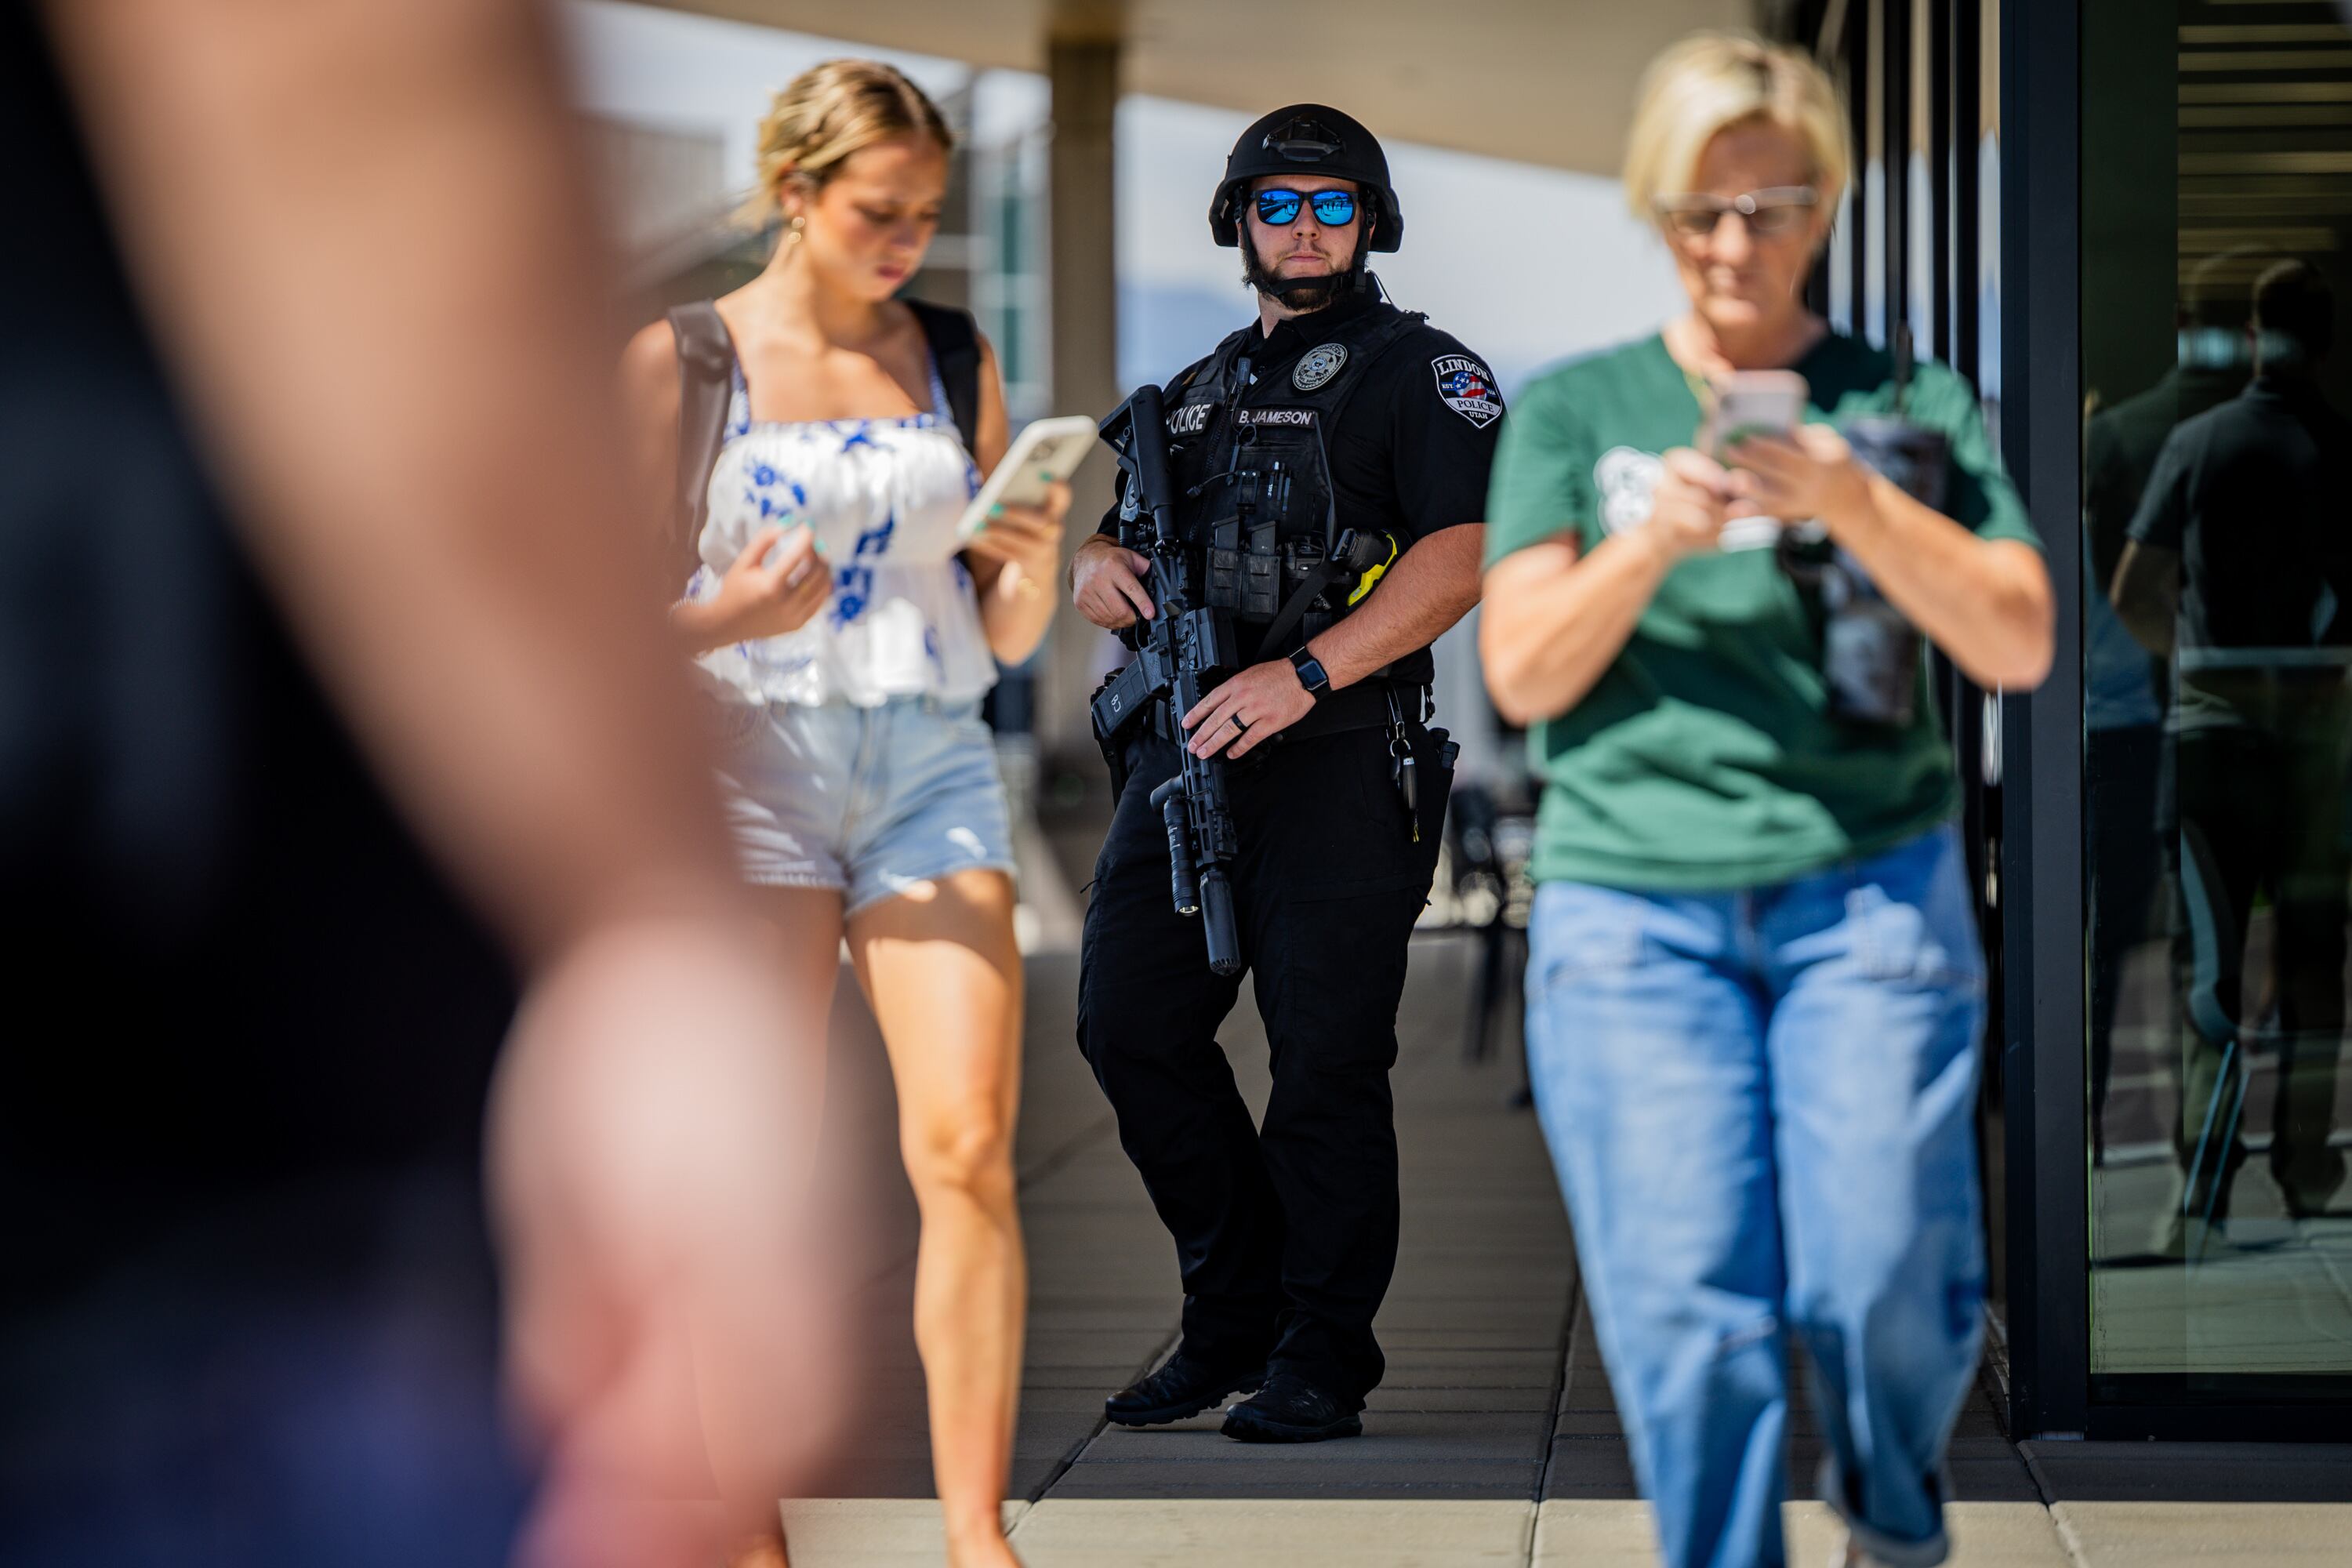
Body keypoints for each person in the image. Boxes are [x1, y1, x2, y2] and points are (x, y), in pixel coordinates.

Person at [3, 3, 848, 1567]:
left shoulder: (951, 355)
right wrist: (640, 907)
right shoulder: (692, 356)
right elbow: (340, 77)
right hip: (162, 1192)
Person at [1481, 33, 2052, 1568]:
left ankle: (1891, 1507)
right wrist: (1655, 537)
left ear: (1828, 209)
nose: (1736, 245)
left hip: (1865, 885)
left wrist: (1854, 495)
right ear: (1655, 210)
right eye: (1701, 211)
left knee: (1878, 1263)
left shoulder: (1905, 398)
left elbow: (2015, 634)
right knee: (1685, 1301)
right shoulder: (1580, 412)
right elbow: (1524, 671)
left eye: (1775, 206)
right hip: (1630, 908)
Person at [619, 60, 1066, 1568]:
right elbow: (592, 634)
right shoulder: (681, 360)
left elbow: (1005, 636)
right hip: (750, 772)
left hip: (931, 761)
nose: (907, 243)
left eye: (928, 215)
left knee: (969, 1147)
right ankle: (750, 1535)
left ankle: (974, 1533)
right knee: (763, 1169)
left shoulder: (951, 349)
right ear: (794, 193)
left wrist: (1039, 555)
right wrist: (725, 612)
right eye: (881, 212)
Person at [1069, 103, 1490, 1443]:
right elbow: (1115, 540)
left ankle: (1320, 1353)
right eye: (1278, 204)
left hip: (1338, 764)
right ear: (1240, 223)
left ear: (1368, 221)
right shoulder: (1188, 394)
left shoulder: (1424, 373)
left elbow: (1464, 554)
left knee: (1322, 1067)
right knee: (1126, 1026)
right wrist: (1095, 567)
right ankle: (1230, 1314)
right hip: (1188, 760)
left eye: (1330, 204)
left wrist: (1307, 674)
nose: (1303, 228)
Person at [2111, 259, 2352, 1253]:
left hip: (2210, 733)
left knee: (2207, 966)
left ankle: (2202, 1192)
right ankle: (2305, 1170)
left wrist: (2197, 662)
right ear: (2327, 341)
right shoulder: (2342, 448)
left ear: (2252, 335)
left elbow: (2133, 589)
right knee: (2313, 958)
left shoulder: (2198, 441)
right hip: (2314, 735)